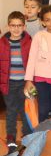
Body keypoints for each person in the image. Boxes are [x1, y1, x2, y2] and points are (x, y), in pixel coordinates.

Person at [0, 11, 32, 145]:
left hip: (26, 83)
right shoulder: (2, 43)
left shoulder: (30, 42)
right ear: (8, 26)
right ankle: (11, 137)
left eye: (19, 25)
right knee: (11, 111)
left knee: (26, 111)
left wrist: (31, 81)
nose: (16, 28)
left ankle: (27, 136)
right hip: (9, 83)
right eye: (13, 25)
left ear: (24, 27)